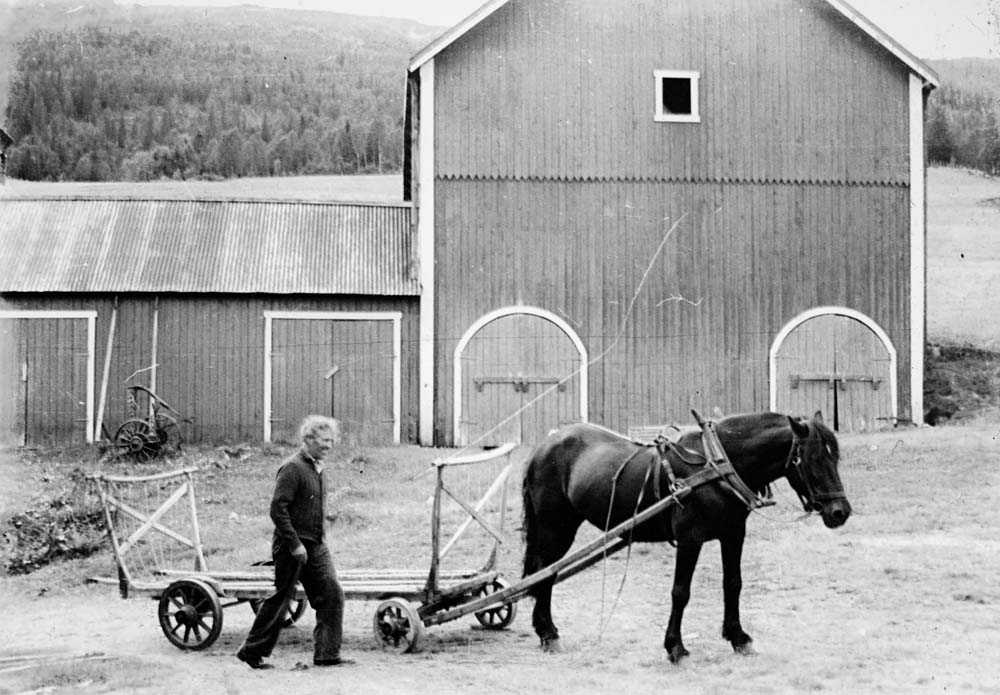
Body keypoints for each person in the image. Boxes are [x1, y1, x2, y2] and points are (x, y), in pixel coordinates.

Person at [236, 415, 354, 669]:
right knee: (282, 599)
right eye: (324, 441)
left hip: (316, 545)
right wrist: (295, 544)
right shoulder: (292, 467)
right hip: (291, 547)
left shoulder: (318, 468)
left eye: (332, 441)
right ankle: (251, 652)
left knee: (332, 594)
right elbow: (278, 510)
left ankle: (327, 654)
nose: (329, 446)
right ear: (308, 439)